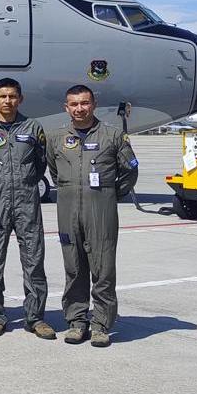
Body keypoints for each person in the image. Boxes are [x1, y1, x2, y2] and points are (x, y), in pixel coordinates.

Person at [47, 84, 138, 348]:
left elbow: (130, 171)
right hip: (68, 210)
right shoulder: (56, 138)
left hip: (102, 210)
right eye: (74, 104)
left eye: (84, 103)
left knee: (103, 269)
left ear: (93, 104)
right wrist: (72, 190)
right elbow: (54, 171)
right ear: (66, 107)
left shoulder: (113, 135)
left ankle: (100, 325)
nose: (79, 108)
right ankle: (76, 322)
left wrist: (108, 194)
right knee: (74, 267)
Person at [0, 78, 56, 339]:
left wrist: (24, 183)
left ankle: (35, 317)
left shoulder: (33, 127)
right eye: (3, 96)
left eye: (12, 96)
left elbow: (40, 163)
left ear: (20, 99)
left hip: (27, 204)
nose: (7, 101)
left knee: (34, 262)